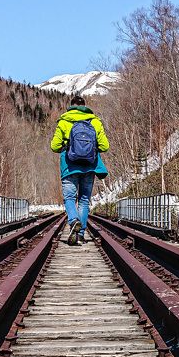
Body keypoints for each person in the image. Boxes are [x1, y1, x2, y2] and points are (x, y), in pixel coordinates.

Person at [51, 94, 109, 245]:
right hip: (90, 166)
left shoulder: (64, 121)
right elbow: (105, 146)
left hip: (69, 166)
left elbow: (54, 146)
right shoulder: (95, 122)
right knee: (84, 200)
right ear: (85, 106)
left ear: (71, 106)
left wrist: (67, 145)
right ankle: (80, 235)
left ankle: (73, 221)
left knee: (69, 198)